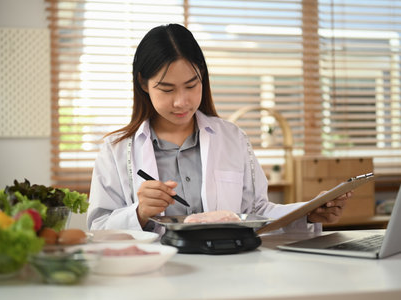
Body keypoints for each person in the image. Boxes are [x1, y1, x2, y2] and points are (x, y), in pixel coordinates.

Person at [87, 23, 351, 233]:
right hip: (155, 277)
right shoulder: (117, 150)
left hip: (228, 271)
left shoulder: (232, 138)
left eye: (191, 85)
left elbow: (256, 212)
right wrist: (139, 213)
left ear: (202, 75)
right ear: (143, 84)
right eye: (167, 89)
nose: (182, 101)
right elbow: (97, 228)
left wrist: (308, 212)